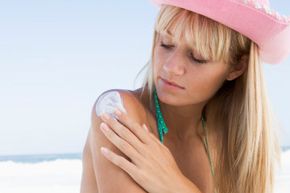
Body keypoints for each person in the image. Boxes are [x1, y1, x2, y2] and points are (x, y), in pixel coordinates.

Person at [80, 0, 290, 193]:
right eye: (166, 44)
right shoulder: (117, 112)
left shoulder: (232, 140)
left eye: (198, 57)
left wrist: (175, 185)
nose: (171, 67)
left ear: (237, 67)